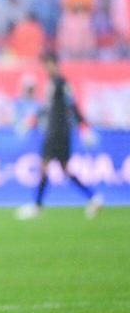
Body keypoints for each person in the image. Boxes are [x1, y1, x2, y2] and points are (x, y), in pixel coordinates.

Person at [15, 53, 103, 220]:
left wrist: (84, 127)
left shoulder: (60, 83)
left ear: (54, 64)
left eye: (48, 64)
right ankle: (93, 197)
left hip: (57, 132)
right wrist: (30, 121)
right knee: (64, 169)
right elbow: (49, 108)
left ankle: (37, 206)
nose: (46, 68)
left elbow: (72, 106)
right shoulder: (53, 83)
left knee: (44, 166)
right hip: (58, 132)